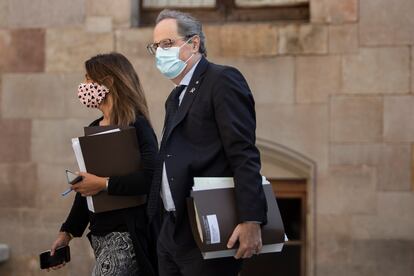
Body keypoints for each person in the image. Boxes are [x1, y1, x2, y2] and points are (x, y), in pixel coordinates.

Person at [146, 9, 268, 276]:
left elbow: (243, 153)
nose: (160, 52)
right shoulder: (174, 96)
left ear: (194, 44)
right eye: (155, 46)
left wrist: (251, 219)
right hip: (171, 229)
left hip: (207, 224)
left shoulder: (222, 80)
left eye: (167, 44)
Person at [48, 52, 158, 276]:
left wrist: (103, 184)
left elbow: (151, 177)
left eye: (88, 79)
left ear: (108, 82)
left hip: (126, 236)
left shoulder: (137, 124)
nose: (84, 86)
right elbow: (87, 190)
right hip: (99, 237)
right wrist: (67, 232)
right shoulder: (94, 126)